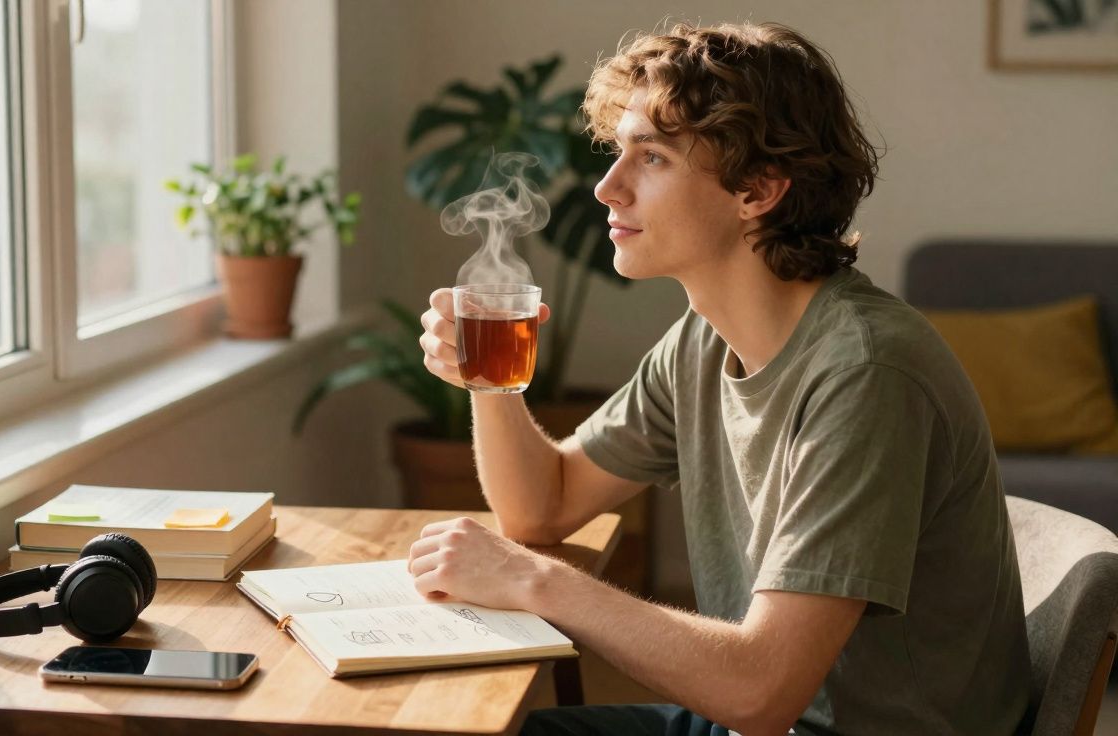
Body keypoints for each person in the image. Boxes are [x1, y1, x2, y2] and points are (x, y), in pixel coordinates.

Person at [410, 20, 1030, 736]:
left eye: (653, 158)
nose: (609, 188)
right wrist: (489, 382)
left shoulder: (866, 373)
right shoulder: (703, 343)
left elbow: (761, 693)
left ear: (757, 190)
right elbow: (542, 507)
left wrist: (530, 579)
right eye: (619, 153)